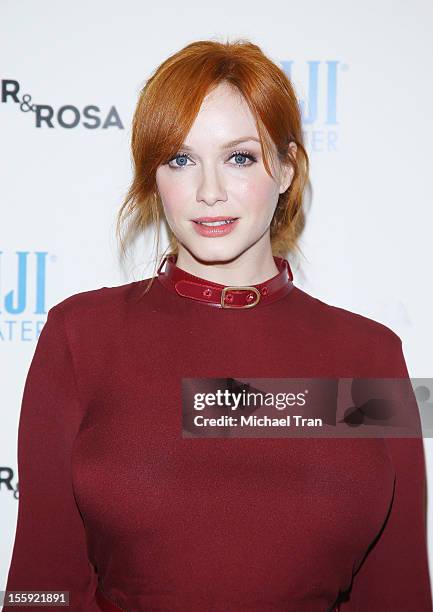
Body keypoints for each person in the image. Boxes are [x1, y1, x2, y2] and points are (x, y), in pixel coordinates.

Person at [4, 38, 432, 612]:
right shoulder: (81, 337)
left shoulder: (369, 354)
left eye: (240, 157)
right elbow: (41, 584)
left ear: (285, 169)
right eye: (180, 160)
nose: (209, 192)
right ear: (153, 178)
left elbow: (398, 589)